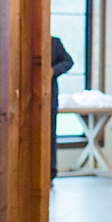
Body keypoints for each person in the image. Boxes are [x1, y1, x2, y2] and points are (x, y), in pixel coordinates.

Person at [48, 34, 75, 179]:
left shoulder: (54, 42)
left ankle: (51, 173)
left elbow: (68, 61)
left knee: (50, 135)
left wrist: (53, 71)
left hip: (49, 97)